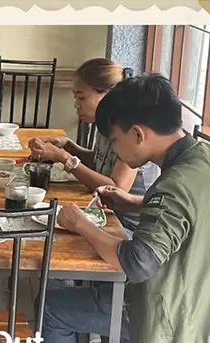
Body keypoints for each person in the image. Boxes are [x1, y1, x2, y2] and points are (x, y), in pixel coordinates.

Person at [42, 74, 210, 343]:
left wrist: (81, 224)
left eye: (114, 139)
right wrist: (135, 202)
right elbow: (196, 211)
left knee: (50, 307)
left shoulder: (173, 185)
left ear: (138, 134)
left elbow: (138, 262)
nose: (114, 149)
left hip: (176, 321)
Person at [28, 58, 160, 237]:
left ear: (108, 95)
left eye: (81, 97)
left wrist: (66, 158)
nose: (76, 104)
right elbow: (100, 162)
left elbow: (116, 188)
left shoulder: (130, 130)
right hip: (105, 214)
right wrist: (68, 146)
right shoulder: (106, 123)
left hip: (130, 228)